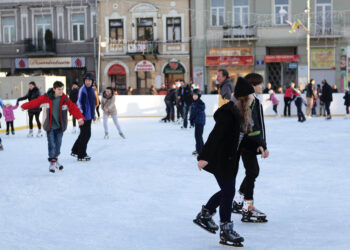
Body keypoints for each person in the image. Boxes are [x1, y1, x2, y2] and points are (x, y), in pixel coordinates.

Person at [193, 77, 256, 248]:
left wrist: (258, 146)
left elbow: (241, 139)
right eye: (251, 96)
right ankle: (225, 230)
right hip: (220, 158)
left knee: (227, 191)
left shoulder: (242, 114)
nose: (253, 99)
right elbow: (215, 136)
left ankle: (205, 215)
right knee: (228, 192)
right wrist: (203, 157)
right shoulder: (229, 114)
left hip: (230, 160)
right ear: (243, 98)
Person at [21, 81, 84, 173]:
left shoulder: (64, 99)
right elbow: (35, 102)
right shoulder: (46, 97)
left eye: (62, 89)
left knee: (58, 145)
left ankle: (55, 160)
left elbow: (73, 108)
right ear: (54, 89)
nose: (61, 91)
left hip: (60, 126)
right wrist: (24, 106)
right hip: (50, 126)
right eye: (59, 89)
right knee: (51, 144)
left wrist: (80, 118)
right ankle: (52, 162)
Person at [232, 73, 269, 223]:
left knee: (252, 172)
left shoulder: (254, 101)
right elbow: (253, 127)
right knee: (253, 172)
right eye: (259, 84)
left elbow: (259, 126)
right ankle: (247, 208)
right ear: (252, 86)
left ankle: (239, 200)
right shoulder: (246, 102)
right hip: (247, 143)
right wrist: (261, 145)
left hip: (252, 142)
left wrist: (262, 143)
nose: (262, 86)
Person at [71, 73, 96, 161]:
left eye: (89, 80)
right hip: (83, 116)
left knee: (84, 134)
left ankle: (75, 150)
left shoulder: (92, 90)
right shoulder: (82, 90)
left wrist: (93, 114)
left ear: (92, 81)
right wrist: (80, 117)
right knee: (85, 135)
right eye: (86, 80)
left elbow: (93, 104)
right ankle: (81, 154)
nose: (88, 82)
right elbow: (79, 103)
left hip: (89, 116)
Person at [189, 89, 205, 156]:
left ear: (199, 96)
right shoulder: (195, 102)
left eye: (196, 95)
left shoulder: (199, 103)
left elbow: (194, 112)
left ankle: (199, 151)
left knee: (198, 136)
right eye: (193, 95)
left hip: (199, 121)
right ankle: (202, 149)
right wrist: (192, 119)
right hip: (198, 121)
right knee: (199, 136)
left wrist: (191, 119)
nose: (194, 96)